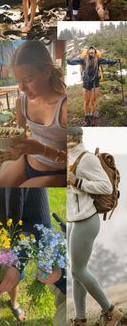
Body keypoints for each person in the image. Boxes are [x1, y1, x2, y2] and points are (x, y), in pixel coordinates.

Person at [0, 181, 65, 326]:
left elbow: (39, 221)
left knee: (12, 281)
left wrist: (16, 264)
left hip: (12, 245)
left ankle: (14, 303)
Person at [0, 40, 67, 188]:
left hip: (57, 173)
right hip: (27, 162)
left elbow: (78, 162)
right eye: (18, 81)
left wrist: (42, 150)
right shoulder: (21, 102)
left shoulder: (64, 108)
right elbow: (19, 135)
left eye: (28, 80)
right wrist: (7, 141)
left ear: (47, 72)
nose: (22, 87)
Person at [67, 127, 123, 326]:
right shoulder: (66, 157)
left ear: (72, 138)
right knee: (75, 271)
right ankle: (80, 319)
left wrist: (78, 181)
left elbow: (106, 187)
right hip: (73, 220)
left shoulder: (86, 158)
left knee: (78, 270)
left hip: (86, 221)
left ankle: (110, 311)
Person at [67, 46, 118, 126]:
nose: (91, 54)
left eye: (92, 52)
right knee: (87, 101)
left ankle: (93, 117)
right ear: (87, 53)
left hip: (95, 83)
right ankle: (86, 117)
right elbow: (72, 62)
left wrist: (114, 61)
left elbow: (107, 61)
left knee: (93, 101)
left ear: (95, 53)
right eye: (90, 52)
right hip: (86, 84)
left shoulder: (98, 60)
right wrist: (68, 60)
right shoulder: (83, 60)